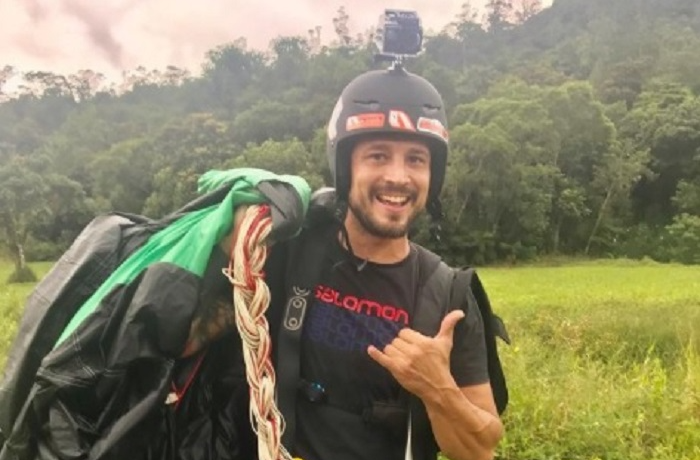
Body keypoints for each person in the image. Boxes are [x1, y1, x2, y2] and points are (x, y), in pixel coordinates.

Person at [255, 64, 504, 460]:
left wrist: (437, 388)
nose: (398, 177)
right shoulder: (287, 253)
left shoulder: (449, 296)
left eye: (416, 160)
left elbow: (479, 450)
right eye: (378, 155)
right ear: (345, 167)